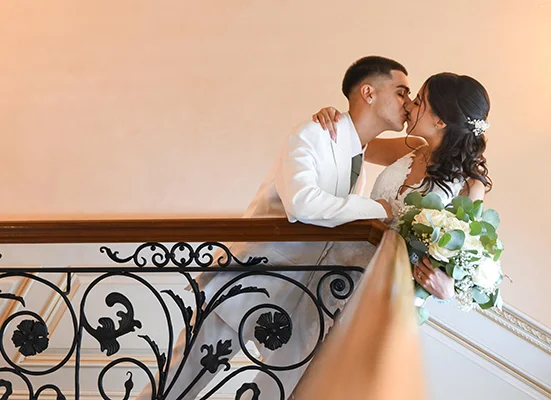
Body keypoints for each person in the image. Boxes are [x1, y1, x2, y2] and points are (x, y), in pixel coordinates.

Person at [137, 56, 455, 400]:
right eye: (401, 92)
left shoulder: (358, 156)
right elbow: (302, 203)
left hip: (303, 300)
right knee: (177, 385)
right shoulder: (313, 134)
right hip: (249, 280)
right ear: (369, 93)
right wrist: (378, 209)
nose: (408, 103)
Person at [311, 72, 492, 304]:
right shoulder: (412, 148)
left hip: (389, 291)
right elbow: (348, 141)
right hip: (341, 265)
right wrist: (331, 119)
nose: (408, 105)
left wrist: (449, 289)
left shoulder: (469, 186)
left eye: (418, 101)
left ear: (440, 121)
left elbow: (462, 256)